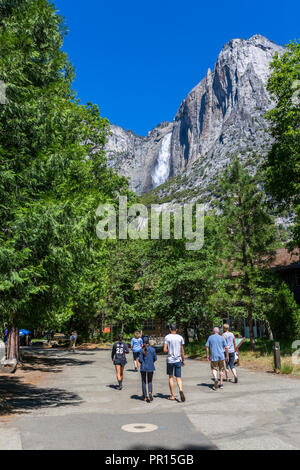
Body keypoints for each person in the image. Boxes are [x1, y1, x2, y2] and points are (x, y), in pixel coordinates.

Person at [163, 323, 185, 402]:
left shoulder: (167, 337)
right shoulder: (180, 337)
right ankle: (181, 389)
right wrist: (183, 360)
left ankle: (172, 395)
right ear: (176, 329)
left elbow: (165, 349)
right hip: (178, 359)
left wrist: (170, 350)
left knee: (171, 377)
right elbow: (182, 351)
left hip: (170, 360)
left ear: (170, 329)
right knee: (178, 377)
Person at [138, 336, 157, 402]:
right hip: (151, 367)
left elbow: (140, 360)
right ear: (148, 342)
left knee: (143, 381)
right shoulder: (152, 349)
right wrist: (151, 362)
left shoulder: (141, 350)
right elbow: (155, 358)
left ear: (143, 342)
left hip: (143, 367)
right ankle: (150, 392)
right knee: (150, 381)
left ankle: (145, 396)